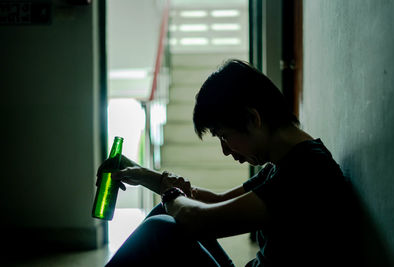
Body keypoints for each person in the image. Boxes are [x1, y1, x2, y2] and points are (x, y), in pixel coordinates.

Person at [99, 59, 361, 266]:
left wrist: (171, 193)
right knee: (165, 215)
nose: (226, 151)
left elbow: (201, 219)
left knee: (160, 230)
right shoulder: (286, 163)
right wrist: (141, 174)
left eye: (225, 136)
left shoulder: (306, 171)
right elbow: (216, 201)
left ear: (252, 119)